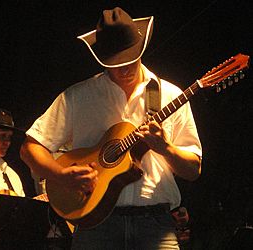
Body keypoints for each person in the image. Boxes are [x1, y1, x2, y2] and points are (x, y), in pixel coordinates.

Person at [20, 7, 202, 250]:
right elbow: (29, 148)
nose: (125, 69)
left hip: (155, 224)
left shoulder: (170, 95)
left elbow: (193, 170)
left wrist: (166, 148)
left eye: (130, 60)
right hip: (94, 224)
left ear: (140, 49)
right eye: (116, 63)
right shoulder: (78, 97)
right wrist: (59, 175)